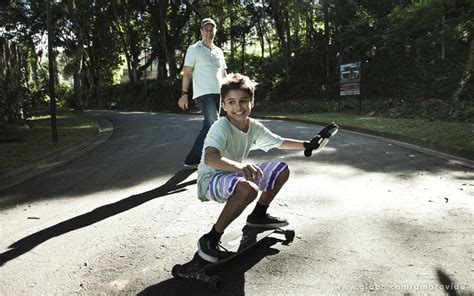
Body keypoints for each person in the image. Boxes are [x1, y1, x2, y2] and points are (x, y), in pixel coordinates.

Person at [195, 73, 339, 262]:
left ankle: (258, 216)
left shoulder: (252, 126)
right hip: (211, 180)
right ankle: (210, 238)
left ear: (252, 102)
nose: (238, 107)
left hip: (235, 175)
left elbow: (278, 142)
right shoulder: (220, 127)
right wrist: (240, 167)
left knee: (281, 170)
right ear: (223, 105)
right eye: (231, 102)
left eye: (243, 101)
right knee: (248, 189)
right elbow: (210, 158)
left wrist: (307, 145)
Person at [178, 17, 227, 168]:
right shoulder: (194, 49)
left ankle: (193, 159)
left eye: (211, 29)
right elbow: (187, 73)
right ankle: (216, 158)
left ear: (215, 31)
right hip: (203, 94)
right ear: (201, 31)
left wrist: (228, 94)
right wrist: (184, 93)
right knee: (215, 123)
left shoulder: (218, 51)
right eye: (206, 29)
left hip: (217, 94)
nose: (208, 32)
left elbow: (224, 75)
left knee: (209, 125)